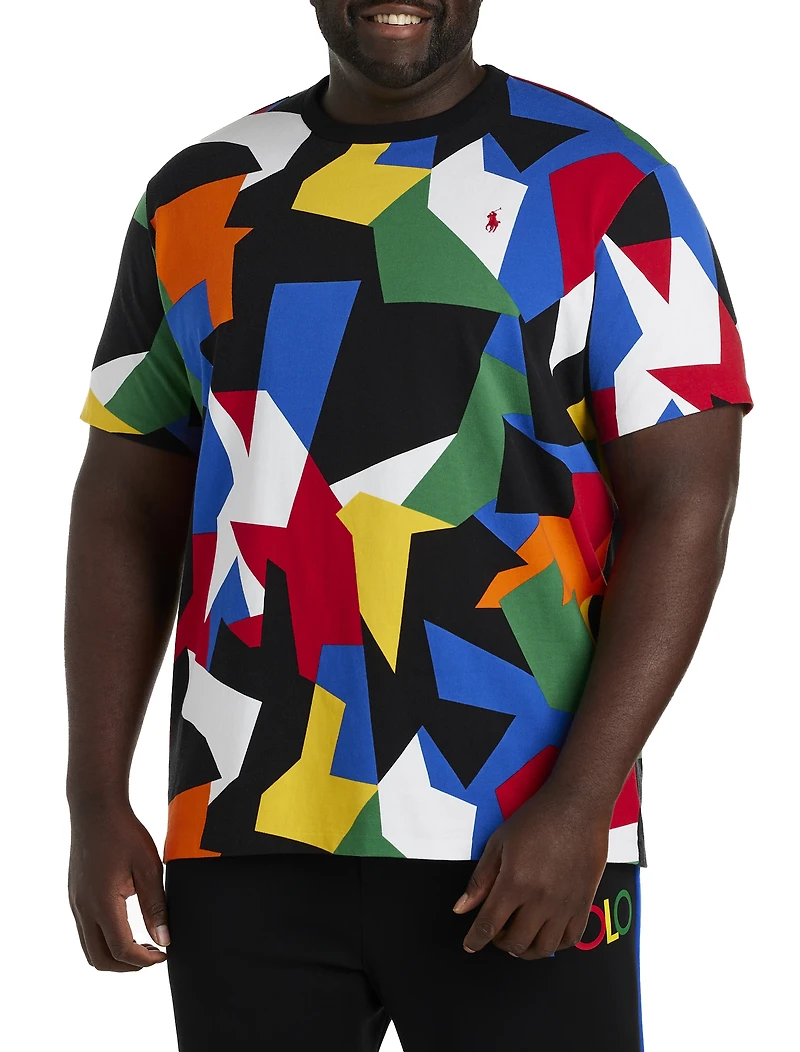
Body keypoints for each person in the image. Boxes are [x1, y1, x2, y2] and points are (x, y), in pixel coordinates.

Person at [65, 2, 753, 1049]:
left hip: (524, 840)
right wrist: (92, 792)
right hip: (246, 822)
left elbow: (687, 501)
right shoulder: (197, 194)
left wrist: (582, 800)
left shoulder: (611, 185)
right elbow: (124, 496)